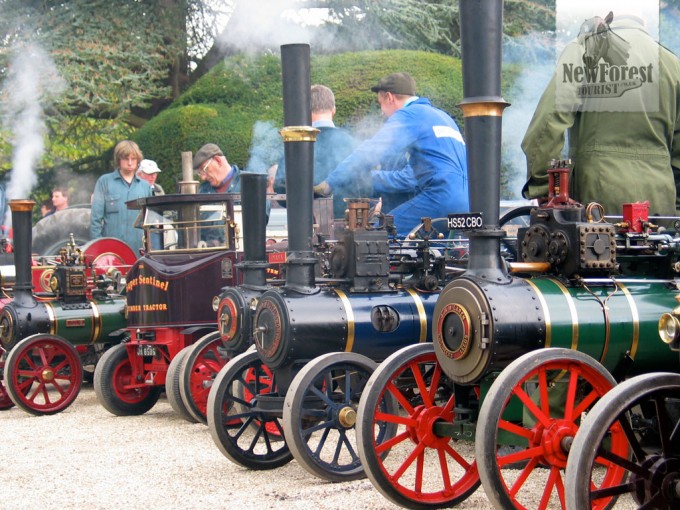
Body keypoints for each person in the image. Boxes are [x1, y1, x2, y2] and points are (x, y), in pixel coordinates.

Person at [522, 11, 680, 217]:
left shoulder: (585, 48)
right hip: (660, 207)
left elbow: (548, 122)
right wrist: (675, 210)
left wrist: (546, 188)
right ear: (645, 19)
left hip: (595, 203)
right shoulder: (672, 64)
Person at [315, 72, 469, 237]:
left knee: (377, 240)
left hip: (440, 199)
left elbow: (370, 151)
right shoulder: (443, 117)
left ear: (389, 97)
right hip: (465, 204)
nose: (382, 113)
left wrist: (330, 182)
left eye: (380, 104)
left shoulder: (410, 115)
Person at [273, 84, 358, 219]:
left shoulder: (293, 144)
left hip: (305, 227)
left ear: (304, 110)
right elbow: (366, 188)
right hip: (348, 226)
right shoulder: (353, 143)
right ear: (334, 109)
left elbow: (280, 190)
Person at [90, 140, 152, 254]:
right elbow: (95, 220)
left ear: (138, 160)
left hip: (139, 252)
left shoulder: (145, 187)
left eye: (133, 159)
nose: (129, 163)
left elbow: (151, 223)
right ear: (118, 159)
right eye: (125, 158)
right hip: (111, 252)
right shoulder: (104, 182)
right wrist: (98, 248)